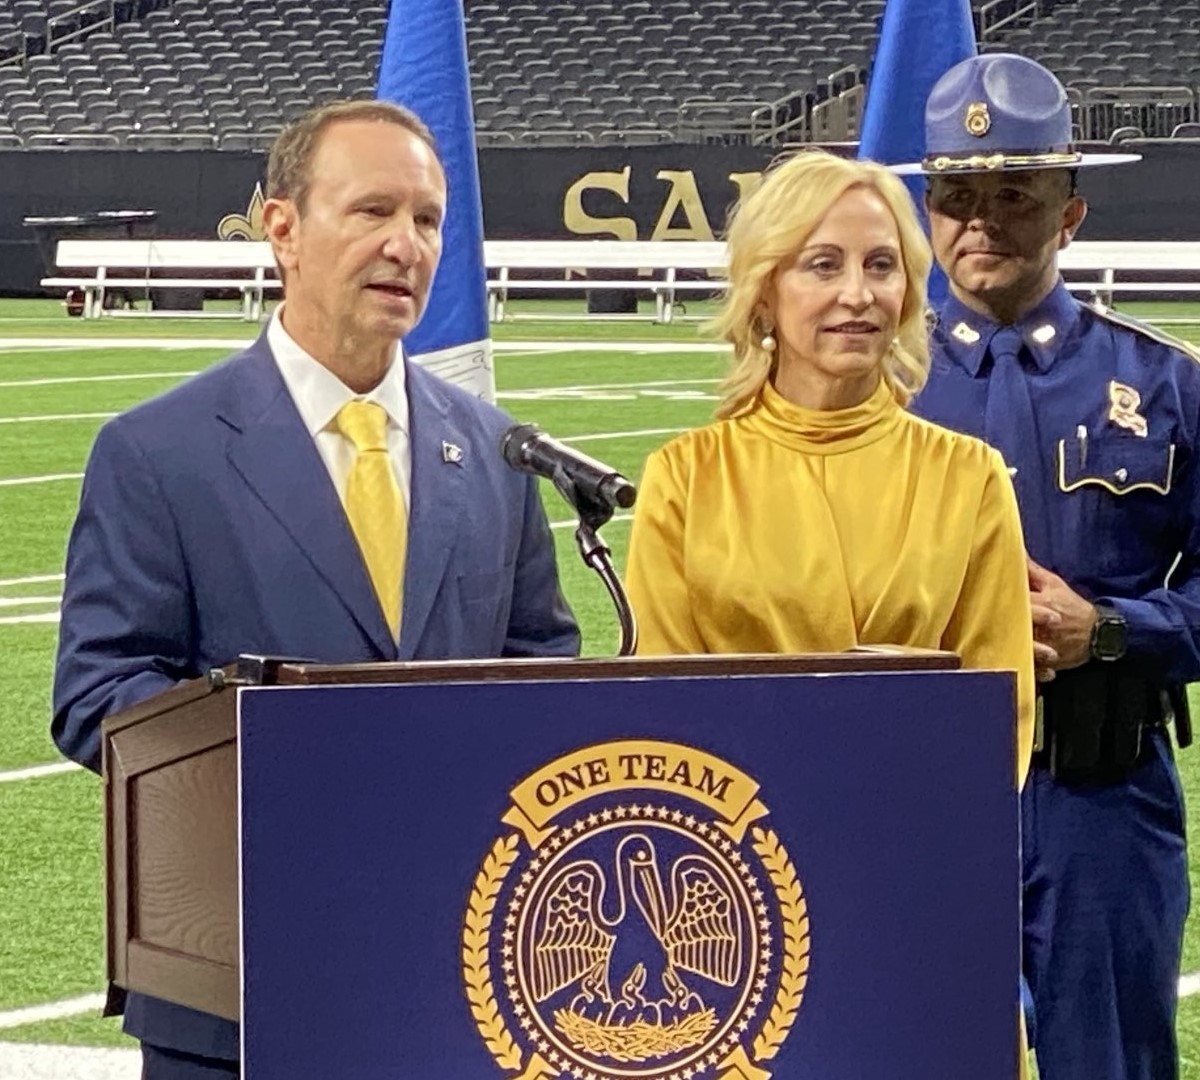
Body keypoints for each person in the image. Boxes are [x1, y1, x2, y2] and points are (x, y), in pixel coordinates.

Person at [51, 99, 580, 1079]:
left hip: (459, 975)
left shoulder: (499, 452)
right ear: (282, 228)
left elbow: (542, 664)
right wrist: (298, 762)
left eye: (427, 219)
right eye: (372, 211)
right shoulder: (157, 453)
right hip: (237, 983)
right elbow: (97, 701)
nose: (406, 245)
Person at [897, 53, 1193, 1080]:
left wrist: (1111, 631)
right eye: (956, 197)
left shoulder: (1165, 386)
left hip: (1100, 800)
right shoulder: (873, 394)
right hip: (912, 794)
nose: (980, 222)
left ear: (1072, 211)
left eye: (1015, 196)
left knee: (1105, 1062)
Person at [622, 149, 1035, 781]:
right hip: (740, 860)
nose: (857, 294)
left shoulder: (968, 475)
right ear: (765, 293)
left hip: (919, 850)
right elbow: (662, 708)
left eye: (880, 265)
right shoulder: (684, 478)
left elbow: (1000, 713)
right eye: (822, 265)